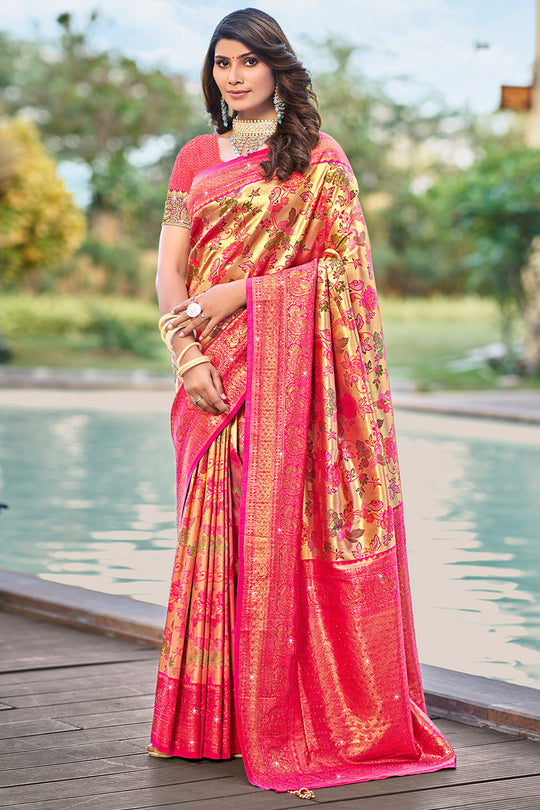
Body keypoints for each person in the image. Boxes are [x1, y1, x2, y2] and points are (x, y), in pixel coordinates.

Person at [149, 6, 456, 797]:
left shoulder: (321, 159)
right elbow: (168, 271)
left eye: (249, 61)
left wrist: (247, 290)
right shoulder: (193, 159)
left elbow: (348, 278)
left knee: (278, 536)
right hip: (210, 375)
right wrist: (185, 356)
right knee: (215, 540)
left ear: (279, 68)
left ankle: (286, 716)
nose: (236, 75)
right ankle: (213, 723)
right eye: (222, 63)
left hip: (288, 377)